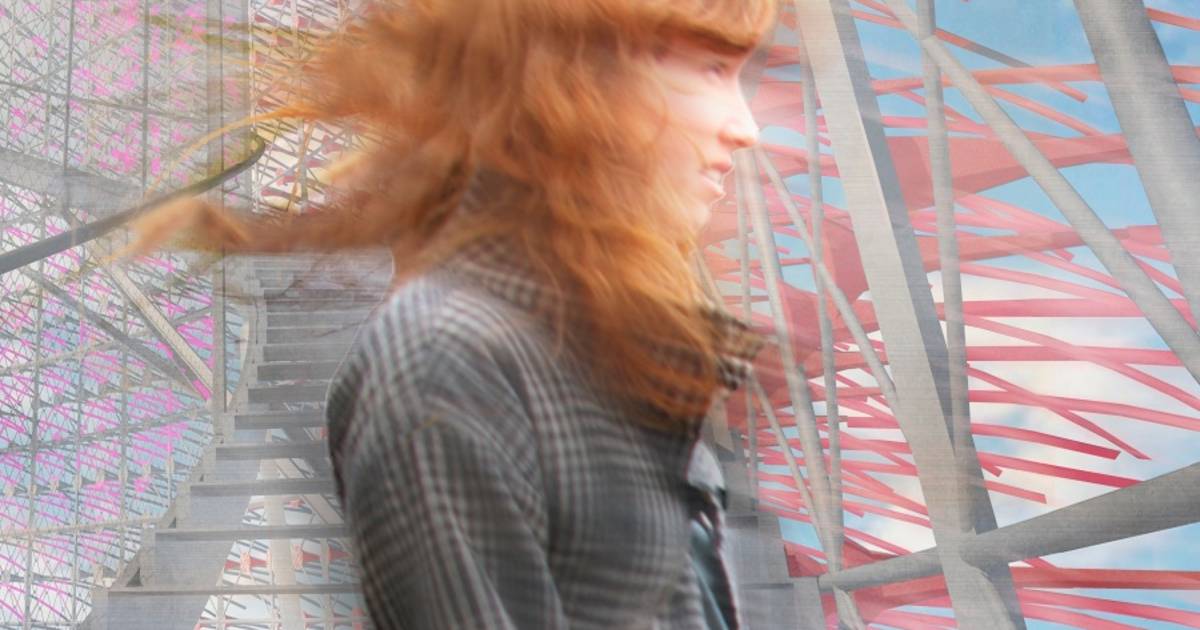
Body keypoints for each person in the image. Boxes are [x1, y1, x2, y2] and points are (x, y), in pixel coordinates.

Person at [128, 0, 777, 627]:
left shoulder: (602, 359)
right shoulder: (447, 359)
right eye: (710, 70)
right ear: (577, 80)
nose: (745, 127)